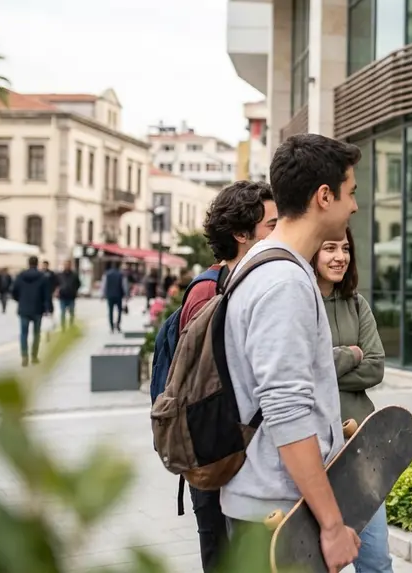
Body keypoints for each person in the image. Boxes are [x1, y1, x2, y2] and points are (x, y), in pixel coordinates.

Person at [221, 134, 361, 573]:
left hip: (270, 507)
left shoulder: (263, 262)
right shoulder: (284, 281)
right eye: (351, 192)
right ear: (325, 196)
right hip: (279, 517)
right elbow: (286, 411)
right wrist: (333, 525)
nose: (355, 206)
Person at [175, 181, 277, 573]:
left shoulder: (251, 283)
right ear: (240, 233)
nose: (280, 233)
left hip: (241, 455)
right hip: (218, 454)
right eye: (271, 225)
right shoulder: (211, 290)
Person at [312, 228, 393, 573]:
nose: (339, 256)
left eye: (345, 248)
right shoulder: (298, 301)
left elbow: (375, 368)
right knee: (313, 562)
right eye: (329, 247)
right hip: (312, 453)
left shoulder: (356, 303)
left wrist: (324, 366)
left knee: (376, 560)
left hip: (360, 450)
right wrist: (350, 354)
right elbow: (298, 372)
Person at [11, 256, 52, 367]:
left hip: (23, 308)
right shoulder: (43, 277)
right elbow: (47, 295)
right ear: (37, 263)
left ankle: (24, 356)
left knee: (24, 334)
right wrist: (49, 308)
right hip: (38, 309)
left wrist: (20, 300)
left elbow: (14, 291)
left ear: (28, 263)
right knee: (36, 334)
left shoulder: (20, 276)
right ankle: (34, 356)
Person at [102, 262, 127, 332]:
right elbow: (124, 285)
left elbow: (104, 284)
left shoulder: (107, 274)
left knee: (110, 311)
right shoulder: (121, 274)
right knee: (119, 310)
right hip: (118, 294)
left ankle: (111, 326)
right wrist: (126, 294)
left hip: (110, 295)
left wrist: (103, 294)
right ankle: (118, 324)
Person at [57, 260, 82, 327]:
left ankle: (71, 325)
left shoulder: (74, 275)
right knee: (63, 313)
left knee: (72, 312)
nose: (66, 266)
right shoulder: (60, 275)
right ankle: (63, 326)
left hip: (71, 296)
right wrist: (58, 291)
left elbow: (79, 284)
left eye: (68, 264)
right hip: (62, 296)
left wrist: (75, 290)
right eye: (65, 264)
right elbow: (56, 284)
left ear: (70, 265)